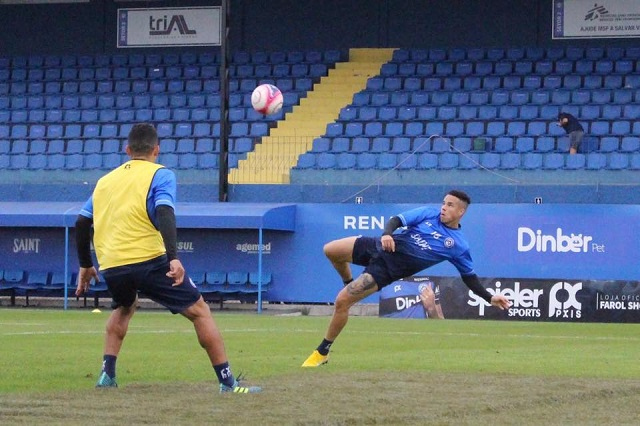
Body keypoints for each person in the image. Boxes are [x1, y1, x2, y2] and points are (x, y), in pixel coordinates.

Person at [74, 123, 261, 394]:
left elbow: (82, 223)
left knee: (125, 307)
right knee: (199, 311)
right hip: (149, 259)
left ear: (128, 150)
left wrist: (85, 264)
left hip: (112, 264)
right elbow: (165, 212)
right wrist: (173, 257)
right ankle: (227, 381)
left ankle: (107, 375)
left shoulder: (105, 182)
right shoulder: (161, 174)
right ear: (156, 150)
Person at [302, 190, 511, 367]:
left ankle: (322, 352)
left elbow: (469, 277)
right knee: (330, 250)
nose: (444, 208)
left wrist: (489, 297)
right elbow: (397, 220)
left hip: (387, 269)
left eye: (450, 205)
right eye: (444, 203)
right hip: (380, 245)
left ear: (461, 211)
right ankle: (348, 281)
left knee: (342, 301)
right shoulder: (429, 214)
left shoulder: (457, 245)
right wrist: (387, 234)